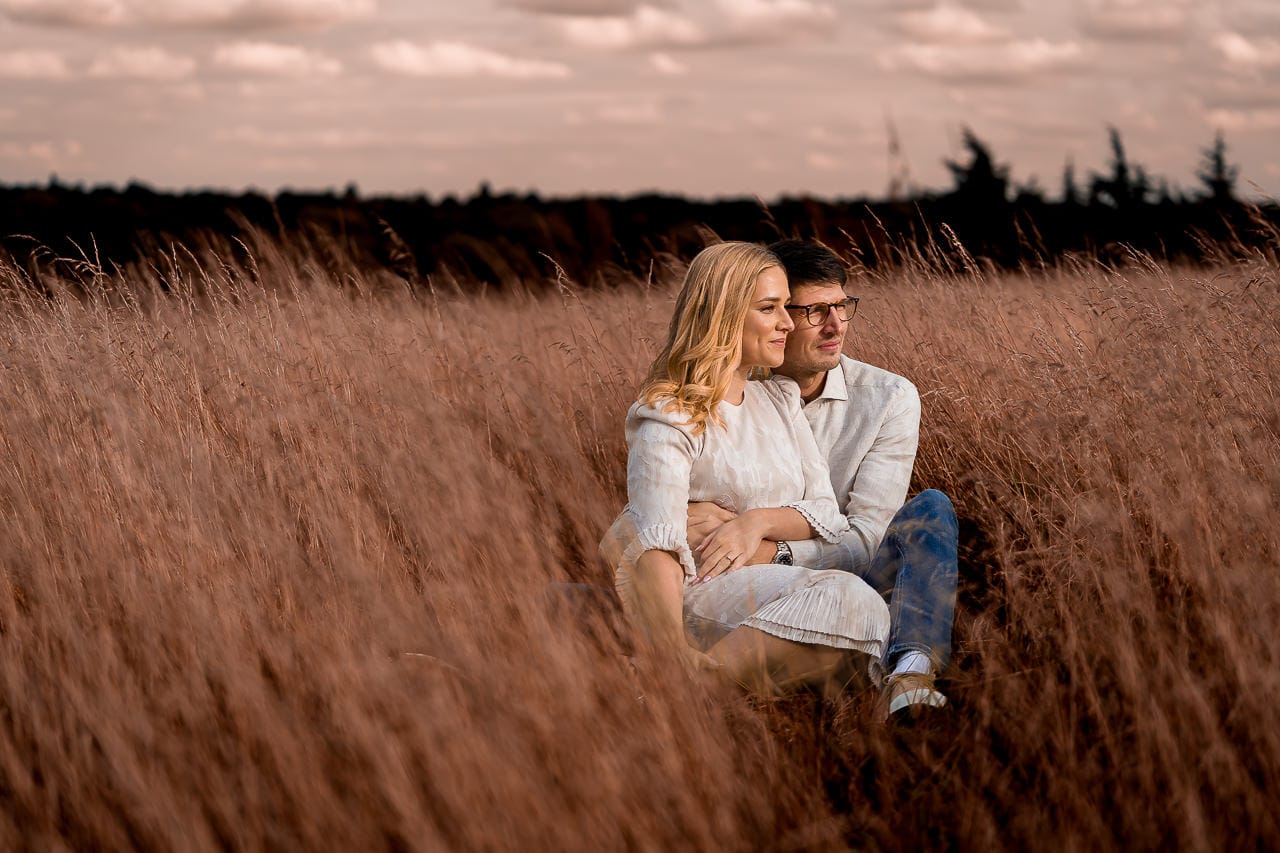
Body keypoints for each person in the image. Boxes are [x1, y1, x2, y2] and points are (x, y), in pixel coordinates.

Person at [601, 241, 890, 696]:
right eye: (769, 308)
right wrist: (671, 644)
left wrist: (753, 525)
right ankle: (680, 669)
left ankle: (697, 682)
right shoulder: (669, 413)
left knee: (862, 613)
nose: (787, 323)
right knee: (849, 602)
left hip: (779, 584)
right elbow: (654, 543)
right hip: (705, 588)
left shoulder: (778, 399)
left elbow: (827, 515)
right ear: (724, 314)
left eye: (784, 308)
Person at [688, 239, 959, 720]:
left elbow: (866, 539)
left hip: (848, 576)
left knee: (931, 510)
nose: (835, 326)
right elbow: (696, 524)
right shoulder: (730, 394)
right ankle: (721, 676)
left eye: (842, 306)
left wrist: (765, 537)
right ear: (775, 316)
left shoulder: (888, 397)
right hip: (746, 584)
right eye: (814, 311)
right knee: (569, 601)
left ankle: (910, 675)